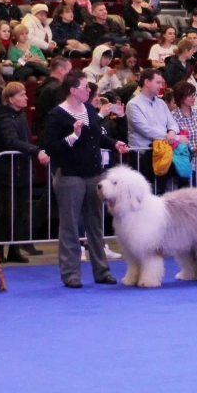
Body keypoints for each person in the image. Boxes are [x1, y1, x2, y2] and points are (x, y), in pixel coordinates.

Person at [43, 70, 124, 288]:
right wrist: (73, 137)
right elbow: (50, 147)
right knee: (70, 226)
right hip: (70, 175)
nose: (89, 90)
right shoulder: (57, 115)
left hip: (94, 173)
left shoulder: (88, 109)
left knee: (95, 224)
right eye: (85, 87)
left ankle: (102, 271)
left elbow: (97, 136)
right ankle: (71, 274)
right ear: (72, 90)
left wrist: (114, 143)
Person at [0, 82, 50, 263]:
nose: (26, 97)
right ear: (11, 99)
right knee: (7, 212)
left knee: (21, 213)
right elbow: (12, 141)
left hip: (22, 170)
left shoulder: (20, 116)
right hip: (8, 172)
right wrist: (35, 151)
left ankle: (14, 249)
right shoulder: (5, 119)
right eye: (22, 95)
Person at [126, 68, 180, 194]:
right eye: (158, 82)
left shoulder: (161, 103)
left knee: (160, 192)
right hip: (142, 155)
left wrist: (172, 132)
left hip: (162, 152)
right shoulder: (133, 105)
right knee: (143, 193)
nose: (161, 86)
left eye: (161, 83)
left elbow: (172, 122)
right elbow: (145, 130)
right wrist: (174, 137)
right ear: (147, 82)